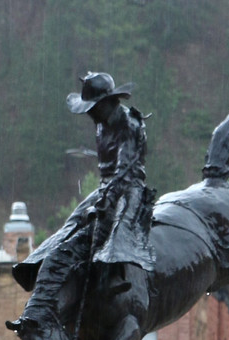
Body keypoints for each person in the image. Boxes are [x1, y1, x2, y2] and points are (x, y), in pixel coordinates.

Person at [12, 72, 156, 299]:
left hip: (130, 187)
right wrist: (101, 197)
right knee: (74, 221)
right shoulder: (100, 125)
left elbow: (124, 170)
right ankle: (37, 265)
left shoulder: (130, 123)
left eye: (93, 108)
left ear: (107, 103)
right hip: (105, 186)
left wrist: (107, 200)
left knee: (119, 228)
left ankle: (115, 277)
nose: (89, 114)